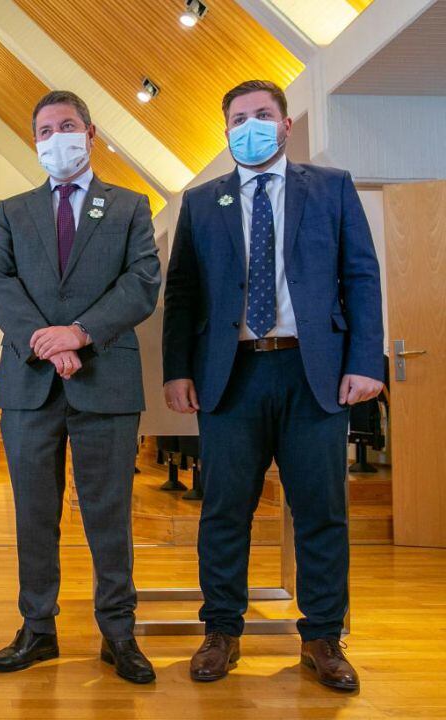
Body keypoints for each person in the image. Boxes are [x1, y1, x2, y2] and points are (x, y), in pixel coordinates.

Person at [162, 80, 383, 691]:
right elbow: (182, 290)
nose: (250, 126)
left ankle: (322, 637)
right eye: (238, 118)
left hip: (313, 373)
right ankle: (222, 630)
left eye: (263, 115)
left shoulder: (331, 188)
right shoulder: (202, 201)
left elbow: (361, 275)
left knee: (321, 511)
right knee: (225, 510)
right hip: (230, 375)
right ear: (225, 129)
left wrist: (365, 360)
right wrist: (176, 369)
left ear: (286, 126)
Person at [0, 91, 160, 682]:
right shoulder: (13, 210)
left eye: (66, 125)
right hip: (30, 385)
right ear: (34, 141)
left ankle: (119, 633)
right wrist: (45, 339)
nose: (55, 137)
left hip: (105, 380)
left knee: (108, 515)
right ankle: (37, 630)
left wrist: (79, 334)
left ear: (90, 132)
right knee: (34, 514)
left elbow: (140, 285)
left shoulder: (132, 206)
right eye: (43, 129)